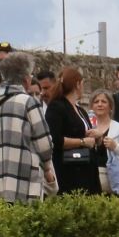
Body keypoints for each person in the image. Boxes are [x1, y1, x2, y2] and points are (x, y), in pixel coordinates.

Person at [0, 53, 56, 204]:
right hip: (23, 181)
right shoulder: (28, 102)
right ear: (26, 79)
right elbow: (44, 144)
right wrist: (47, 169)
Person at [44, 67, 101, 195]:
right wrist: (82, 141)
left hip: (87, 168)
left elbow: (80, 132)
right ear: (77, 84)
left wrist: (93, 135)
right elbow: (55, 139)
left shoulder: (81, 110)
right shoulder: (57, 107)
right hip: (69, 170)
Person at [86, 92, 119, 193]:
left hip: (113, 181)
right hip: (88, 180)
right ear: (91, 106)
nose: (100, 104)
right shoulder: (86, 127)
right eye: (96, 102)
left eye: (104, 102)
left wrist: (116, 147)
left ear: (111, 107)